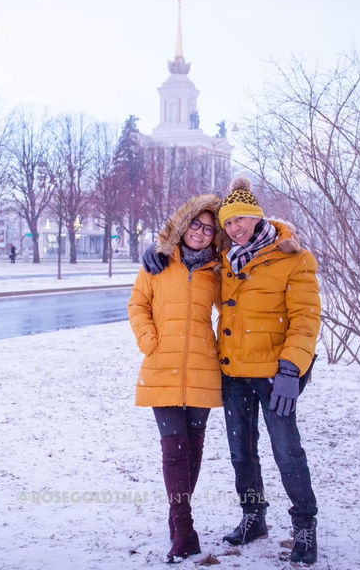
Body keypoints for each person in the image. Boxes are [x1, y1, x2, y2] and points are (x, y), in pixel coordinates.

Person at [143, 177, 321, 565]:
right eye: (229, 222)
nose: (235, 227)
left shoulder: (293, 257)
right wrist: (156, 249)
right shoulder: (224, 260)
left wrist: (292, 368)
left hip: (276, 375)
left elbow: (307, 318)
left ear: (257, 217)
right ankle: (254, 516)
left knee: (287, 452)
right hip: (233, 372)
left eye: (241, 219)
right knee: (243, 454)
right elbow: (182, 257)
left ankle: (304, 526)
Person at [129, 194, 223, 563]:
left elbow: (232, 310)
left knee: (194, 450)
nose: (201, 232)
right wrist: (150, 341)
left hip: (202, 366)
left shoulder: (217, 271)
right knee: (174, 451)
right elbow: (138, 304)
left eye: (209, 228)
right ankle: (184, 530)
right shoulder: (159, 262)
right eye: (196, 224)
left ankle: (178, 520)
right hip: (161, 366)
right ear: (184, 225)